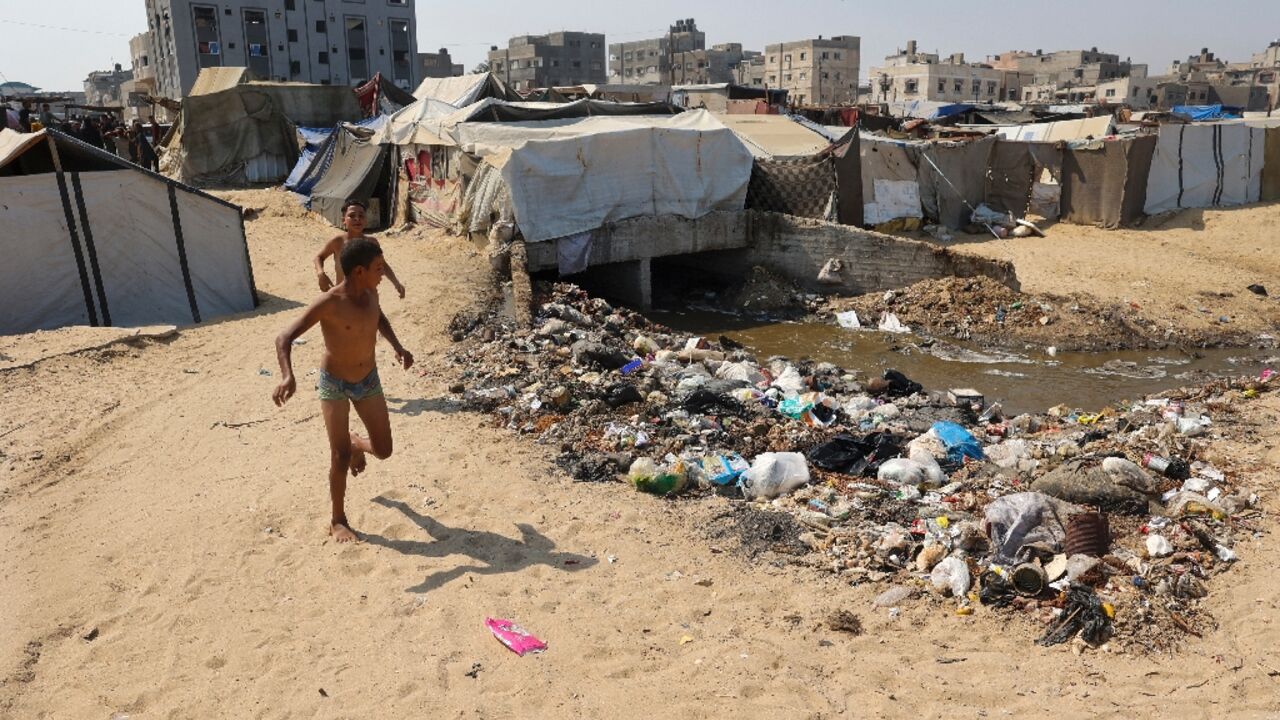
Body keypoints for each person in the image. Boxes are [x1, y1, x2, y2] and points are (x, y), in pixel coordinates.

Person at [272, 238, 414, 542]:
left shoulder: (372, 292)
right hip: (334, 383)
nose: (382, 274)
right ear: (360, 271)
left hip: (368, 380)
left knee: (384, 450)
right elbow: (283, 338)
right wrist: (287, 376)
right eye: (378, 268)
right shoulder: (330, 303)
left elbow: (378, 318)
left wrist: (398, 346)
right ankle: (338, 519)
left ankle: (355, 444)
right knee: (338, 456)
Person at [314, 199, 406, 298]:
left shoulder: (371, 243)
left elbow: (382, 264)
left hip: (367, 296)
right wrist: (321, 274)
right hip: (344, 297)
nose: (357, 219)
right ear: (343, 220)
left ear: (366, 220)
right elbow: (319, 257)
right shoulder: (338, 242)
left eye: (361, 216)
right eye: (352, 216)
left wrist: (396, 283)